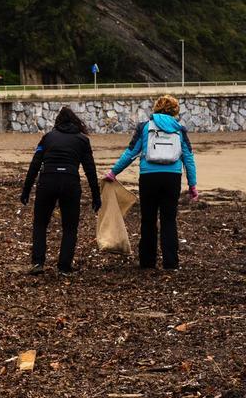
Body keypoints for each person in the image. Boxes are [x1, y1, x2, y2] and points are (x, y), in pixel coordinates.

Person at [104, 95, 198, 269]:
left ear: (156, 108)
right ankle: (171, 262)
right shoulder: (179, 129)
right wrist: (192, 184)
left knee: (148, 219)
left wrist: (113, 172)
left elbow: (131, 153)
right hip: (172, 178)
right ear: (175, 110)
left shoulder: (145, 126)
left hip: (149, 177)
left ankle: (147, 262)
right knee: (169, 219)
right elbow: (188, 158)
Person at [20, 106, 101, 276]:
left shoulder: (47, 138)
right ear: (75, 121)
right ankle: (64, 266)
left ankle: (38, 263)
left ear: (58, 121)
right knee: (70, 227)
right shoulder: (82, 140)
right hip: (70, 182)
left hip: (47, 181)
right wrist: (96, 196)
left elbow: (34, 165)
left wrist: (26, 190)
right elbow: (90, 169)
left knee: (40, 223)